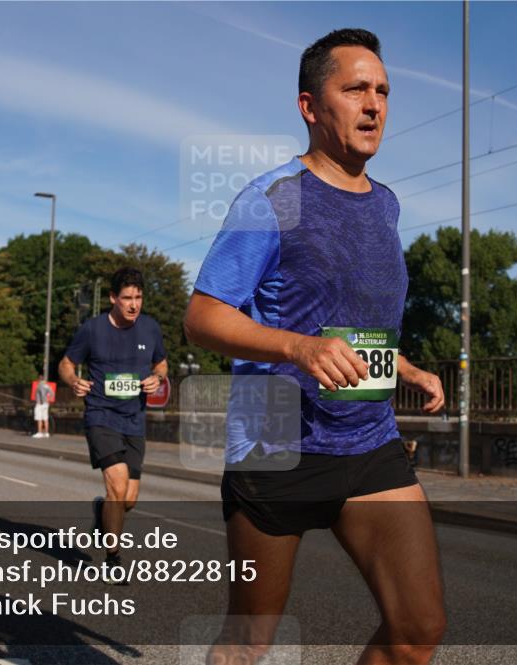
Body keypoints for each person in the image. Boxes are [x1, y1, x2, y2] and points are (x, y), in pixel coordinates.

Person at [183, 29, 447, 665]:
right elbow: (202, 316)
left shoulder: (386, 204)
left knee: (418, 629)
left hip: (370, 438)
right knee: (250, 642)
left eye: (382, 90)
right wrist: (297, 349)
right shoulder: (272, 199)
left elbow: (351, 315)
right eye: (355, 88)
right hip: (278, 445)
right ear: (309, 106)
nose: (374, 104)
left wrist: (403, 364)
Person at [58, 267, 167, 581]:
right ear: (112, 299)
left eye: (139, 297)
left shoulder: (150, 328)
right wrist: (73, 381)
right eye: (127, 298)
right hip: (101, 415)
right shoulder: (92, 330)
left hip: (134, 419)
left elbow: (161, 362)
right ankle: (112, 558)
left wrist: (158, 377)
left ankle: (101, 513)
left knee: (128, 500)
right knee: (117, 485)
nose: (134, 305)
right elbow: (66, 364)